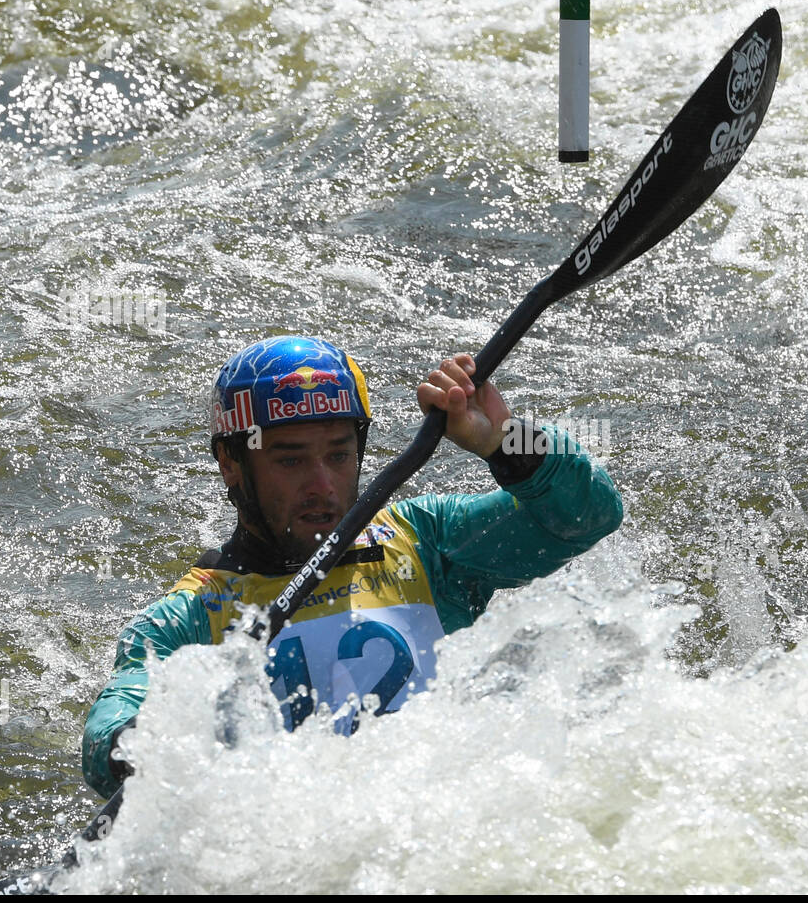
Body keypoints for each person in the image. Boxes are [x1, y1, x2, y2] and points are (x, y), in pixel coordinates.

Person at [82, 335, 622, 798]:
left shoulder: (426, 540)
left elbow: (587, 515)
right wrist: (140, 746)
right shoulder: (187, 618)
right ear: (232, 464)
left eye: (338, 455)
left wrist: (507, 441)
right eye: (291, 460)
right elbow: (109, 736)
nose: (322, 486)